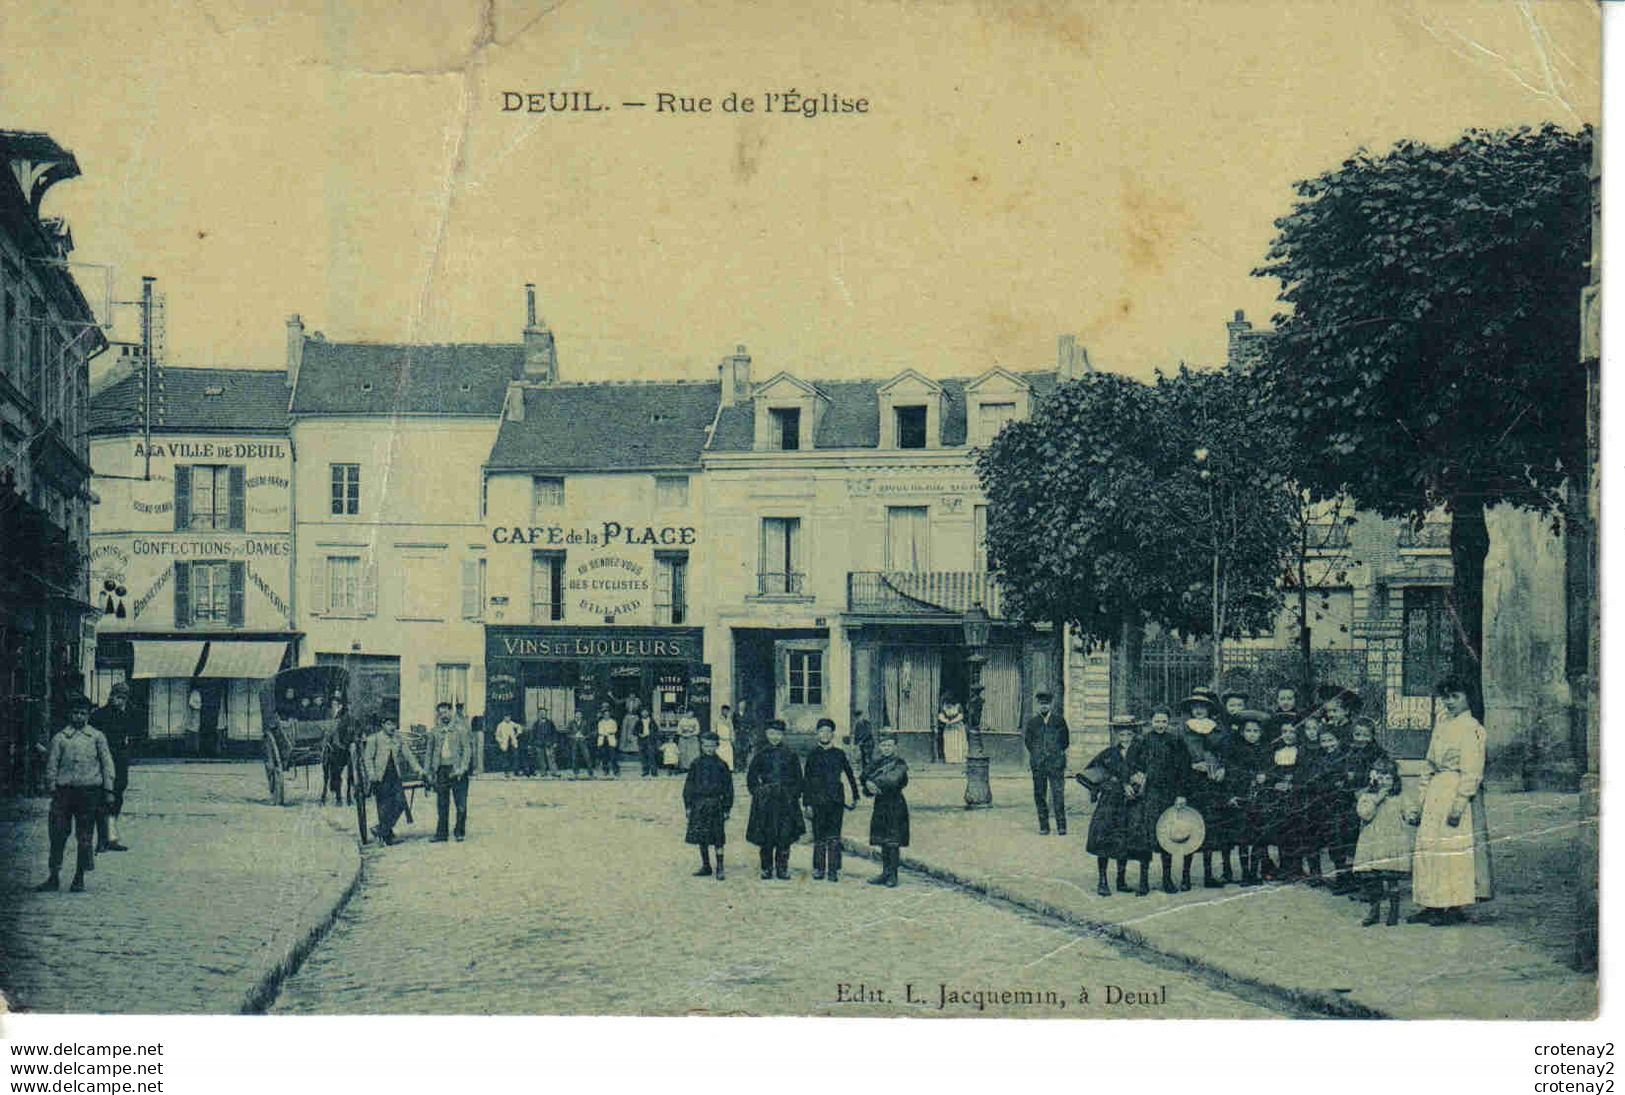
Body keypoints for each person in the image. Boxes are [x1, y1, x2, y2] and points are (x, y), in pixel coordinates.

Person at [1406, 678, 1494, 925]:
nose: (1449, 702)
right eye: (1445, 697)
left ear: (1467, 697)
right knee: (1428, 847)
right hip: (1436, 790)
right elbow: (1429, 763)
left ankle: (1453, 906)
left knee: (1451, 849)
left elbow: (1472, 769)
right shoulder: (1442, 723)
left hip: (1456, 790)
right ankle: (1431, 904)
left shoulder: (1472, 728)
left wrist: (1460, 803)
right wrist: (1421, 799)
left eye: (1455, 696)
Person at [35, 695, 114, 893]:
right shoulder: (60, 738)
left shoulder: (97, 737)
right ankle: (54, 876)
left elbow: (107, 765)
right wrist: (51, 786)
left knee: (85, 836)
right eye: (75, 713)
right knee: (58, 833)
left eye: (83, 713)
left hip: (89, 793)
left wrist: (108, 790)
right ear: (69, 714)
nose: (78, 717)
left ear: (88, 715)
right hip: (64, 793)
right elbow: (52, 764)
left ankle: (79, 877)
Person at [1124, 706, 1186, 895]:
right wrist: (1136, 776)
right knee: (1146, 837)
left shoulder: (1175, 741)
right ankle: (1144, 882)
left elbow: (1182, 770)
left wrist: (1180, 794)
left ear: (1169, 722)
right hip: (1148, 795)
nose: (1160, 725)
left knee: (1167, 836)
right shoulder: (1142, 741)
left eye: (1164, 721)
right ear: (1151, 721)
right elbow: (1130, 764)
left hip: (1168, 795)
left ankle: (1167, 880)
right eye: (1157, 721)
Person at [1077, 716, 1137, 896]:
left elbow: (1147, 771)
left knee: (1124, 840)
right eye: (1121, 734)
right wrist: (1106, 785)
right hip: (1110, 804)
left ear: (1133, 734)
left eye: (1128, 733)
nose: (1125, 737)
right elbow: (1088, 774)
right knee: (1103, 839)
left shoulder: (1140, 752)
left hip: (1130, 803)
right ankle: (1102, 881)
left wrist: (1136, 784)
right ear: (1116, 734)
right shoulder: (1108, 753)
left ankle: (1121, 880)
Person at [1353, 755, 1413, 927]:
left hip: (1391, 842)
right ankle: (1374, 912)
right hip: (1372, 842)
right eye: (1381, 777)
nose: (1385, 781)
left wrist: (1412, 815)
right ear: (1373, 778)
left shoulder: (1399, 797)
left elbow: (1409, 809)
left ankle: (1394, 912)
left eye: (1388, 778)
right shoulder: (1367, 796)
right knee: (1373, 881)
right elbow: (1364, 814)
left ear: (1394, 780)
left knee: (1391, 879)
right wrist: (1377, 799)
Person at [802, 717, 860, 882]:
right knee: (819, 836)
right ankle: (819, 868)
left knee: (834, 836)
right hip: (817, 801)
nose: (825, 735)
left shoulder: (839, 754)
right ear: (817, 734)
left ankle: (833, 869)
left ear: (832, 735)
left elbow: (849, 775)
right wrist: (807, 803)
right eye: (822, 731)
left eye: (828, 732)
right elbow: (806, 780)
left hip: (835, 801)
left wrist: (855, 796)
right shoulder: (813, 755)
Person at [746, 719, 804, 880]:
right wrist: (758, 792)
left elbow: (798, 778)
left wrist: (793, 794)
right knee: (766, 834)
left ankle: (782, 868)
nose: (775, 737)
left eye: (778, 734)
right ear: (767, 734)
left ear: (782, 735)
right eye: (772, 733)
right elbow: (751, 777)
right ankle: (766, 867)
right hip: (766, 801)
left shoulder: (790, 755)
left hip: (785, 801)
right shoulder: (761, 754)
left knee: (784, 835)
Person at [1224, 710, 1274, 887]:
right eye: (1248, 731)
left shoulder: (1266, 750)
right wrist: (1231, 794)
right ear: (1242, 732)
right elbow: (1230, 774)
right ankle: (1245, 873)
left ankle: (1255, 872)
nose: (1251, 735)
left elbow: (1271, 770)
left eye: (1255, 731)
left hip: (1260, 799)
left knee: (1259, 837)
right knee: (1243, 839)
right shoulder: (1236, 750)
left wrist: (1265, 776)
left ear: (1261, 733)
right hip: (1242, 797)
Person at [91, 681, 140, 852]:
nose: (116, 700)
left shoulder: (130, 713)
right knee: (103, 798)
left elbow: (135, 734)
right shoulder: (99, 715)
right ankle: (101, 839)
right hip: (103, 761)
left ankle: (110, 837)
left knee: (117, 797)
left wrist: (127, 751)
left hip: (120, 761)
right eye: (115, 696)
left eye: (121, 697)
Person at [362, 715, 426, 845]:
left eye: (394, 724)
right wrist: (371, 774)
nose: (392, 727)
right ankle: (386, 835)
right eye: (389, 724)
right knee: (384, 806)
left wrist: (419, 769)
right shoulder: (374, 739)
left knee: (400, 803)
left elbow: (409, 756)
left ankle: (381, 829)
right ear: (383, 725)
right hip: (380, 777)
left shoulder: (398, 739)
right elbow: (367, 759)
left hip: (394, 776)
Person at [683, 730, 734, 880]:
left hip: (716, 804)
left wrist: (727, 807)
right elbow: (689, 786)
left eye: (712, 746)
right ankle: (706, 865)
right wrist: (688, 806)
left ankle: (720, 867)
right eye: (706, 746)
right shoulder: (696, 764)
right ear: (701, 746)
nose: (709, 749)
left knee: (718, 837)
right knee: (701, 835)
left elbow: (728, 788)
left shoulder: (722, 765)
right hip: (699, 804)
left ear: (717, 746)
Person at [863, 733, 909, 887]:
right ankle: (885, 872)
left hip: (895, 805)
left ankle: (893, 876)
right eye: (883, 745)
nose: (886, 748)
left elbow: (893, 780)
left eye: (889, 745)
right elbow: (864, 776)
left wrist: (873, 783)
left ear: (895, 747)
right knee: (883, 840)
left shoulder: (900, 763)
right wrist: (868, 786)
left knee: (893, 841)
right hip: (881, 804)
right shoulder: (877, 762)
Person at [1023, 690, 1070, 835]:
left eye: (1047, 704)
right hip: (1038, 765)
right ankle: (1044, 827)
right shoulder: (1033, 723)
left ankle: (1061, 826)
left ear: (1051, 705)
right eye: (1042, 704)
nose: (1044, 707)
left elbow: (1065, 741)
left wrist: (1055, 754)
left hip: (1056, 764)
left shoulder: (1059, 721)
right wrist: (1037, 756)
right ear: (1038, 705)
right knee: (1039, 794)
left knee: (1058, 794)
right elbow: (1028, 742)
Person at [426, 702, 474, 842]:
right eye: (440, 713)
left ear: (451, 712)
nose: (443, 715)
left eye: (446, 712)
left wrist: (462, 769)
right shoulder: (434, 731)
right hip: (441, 770)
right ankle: (441, 834)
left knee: (461, 804)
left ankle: (459, 831)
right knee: (442, 803)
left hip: (457, 770)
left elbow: (467, 751)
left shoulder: (461, 730)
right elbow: (429, 754)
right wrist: (428, 771)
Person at [938, 696, 967, 765]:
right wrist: (946, 721)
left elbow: (961, 716)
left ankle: (958, 759)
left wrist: (953, 721)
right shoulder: (944, 706)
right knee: (949, 742)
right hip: (948, 727)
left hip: (958, 727)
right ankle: (950, 759)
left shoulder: (958, 706)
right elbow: (941, 715)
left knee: (957, 742)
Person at [531, 710, 560, 778]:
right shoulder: (536, 724)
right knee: (540, 759)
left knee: (551, 758)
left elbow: (554, 733)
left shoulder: (550, 723)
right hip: (539, 743)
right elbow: (533, 734)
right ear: (538, 714)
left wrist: (555, 742)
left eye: (544, 713)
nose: (542, 714)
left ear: (546, 714)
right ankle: (543, 772)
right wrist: (532, 743)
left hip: (548, 743)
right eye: (541, 713)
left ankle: (554, 772)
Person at [851, 706, 875, 787]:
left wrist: (861, 741)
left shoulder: (866, 723)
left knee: (868, 760)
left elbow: (868, 734)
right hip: (862, 745)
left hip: (868, 744)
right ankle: (865, 778)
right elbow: (856, 735)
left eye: (860, 716)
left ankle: (871, 777)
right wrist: (854, 745)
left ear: (862, 716)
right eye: (857, 717)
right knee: (863, 761)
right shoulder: (857, 724)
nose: (858, 718)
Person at [594, 704, 620, 778]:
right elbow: (600, 731)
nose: (606, 716)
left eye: (608, 714)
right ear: (603, 715)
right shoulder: (600, 722)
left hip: (610, 739)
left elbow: (614, 730)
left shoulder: (613, 722)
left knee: (613, 756)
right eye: (605, 714)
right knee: (604, 756)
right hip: (603, 739)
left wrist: (608, 732)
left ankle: (616, 771)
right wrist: (607, 732)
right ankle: (605, 770)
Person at [566, 710, 594, 778]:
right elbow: (567, 734)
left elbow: (589, 733)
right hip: (574, 742)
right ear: (575, 715)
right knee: (574, 757)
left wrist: (584, 737)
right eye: (577, 714)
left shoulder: (585, 723)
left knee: (587, 757)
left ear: (582, 716)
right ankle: (575, 772)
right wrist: (573, 736)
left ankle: (590, 772)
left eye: (579, 714)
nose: (578, 716)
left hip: (583, 742)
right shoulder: (571, 723)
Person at [495, 710, 522, 778]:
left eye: (509, 717)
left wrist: (516, 734)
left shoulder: (512, 723)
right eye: (506, 717)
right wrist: (501, 741)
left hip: (512, 743)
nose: (508, 718)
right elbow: (497, 736)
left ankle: (515, 770)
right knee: (505, 757)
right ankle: (506, 772)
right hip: (505, 743)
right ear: (504, 717)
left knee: (515, 756)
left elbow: (519, 727)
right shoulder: (500, 725)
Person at [635, 705, 660, 778]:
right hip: (642, 740)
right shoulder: (639, 721)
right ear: (641, 713)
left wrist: (652, 736)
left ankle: (654, 772)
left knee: (651, 755)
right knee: (643, 756)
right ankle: (645, 771)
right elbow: (634, 731)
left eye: (646, 712)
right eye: (643, 712)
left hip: (650, 739)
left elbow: (656, 730)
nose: (644, 713)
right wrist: (639, 734)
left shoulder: (652, 721)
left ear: (648, 713)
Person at [676, 705, 702, 771]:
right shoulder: (682, 720)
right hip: (683, 738)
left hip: (692, 738)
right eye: (689, 713)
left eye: (692, 713)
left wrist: (691, 733)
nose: (690, 714)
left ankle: (692, 767)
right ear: (686, 713)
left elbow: (697, 730)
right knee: (683, 753)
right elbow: (678, 729)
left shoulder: (695, 720)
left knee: (692, 753)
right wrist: (682, 733)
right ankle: (683, 767)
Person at [714, 704, 736, 769]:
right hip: (720, 739)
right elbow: (715, 729)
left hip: (727, 740)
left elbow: (731, 730)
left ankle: (729, 768)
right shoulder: (717, 719)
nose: (725, 712)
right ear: (722, 711)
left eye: (727, 711)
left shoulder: (729, 721)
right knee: (720, 753)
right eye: (724, 710)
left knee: (728, 754)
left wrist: (732, 738)